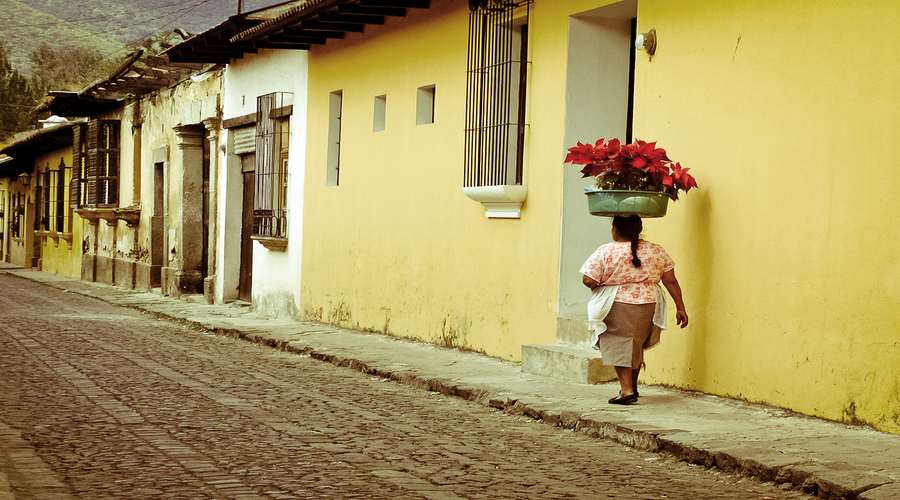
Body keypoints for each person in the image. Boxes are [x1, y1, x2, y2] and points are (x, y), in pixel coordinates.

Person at [580, 215, 688, 405]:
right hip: (649, 303)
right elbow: (670, 280)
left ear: (616, 230)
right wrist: (681, 308)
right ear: (639, 229)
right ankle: (633, 386)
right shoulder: (656, 250)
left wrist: (604, 282)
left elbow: (588, 279)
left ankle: (627, 390)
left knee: (618, 343)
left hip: (616, 302)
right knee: (635, 344)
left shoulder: (606, 251)